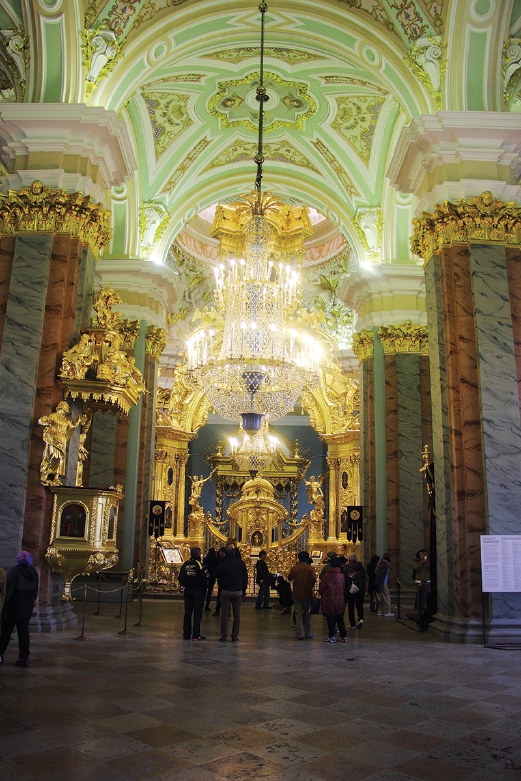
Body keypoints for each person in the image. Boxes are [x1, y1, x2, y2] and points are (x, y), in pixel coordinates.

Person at [0, 551, 39, 667]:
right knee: (23, 633)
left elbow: (8, 590)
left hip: (13, 607)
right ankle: (24, 657)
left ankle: (0, 654)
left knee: (6, 632)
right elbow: (35, 592)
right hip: (26, 608)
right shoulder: (34, 573)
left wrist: (4, 605)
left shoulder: (15, 572)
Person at [215, 543, 248, 642]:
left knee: (224, 614)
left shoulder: (223, 563)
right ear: (233, 552)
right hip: (238, 591)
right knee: (237, 615)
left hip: (225, 591)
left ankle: (224, 636)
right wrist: (244, 589)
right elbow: (245, 577)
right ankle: (234, 636)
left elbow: (216, 574)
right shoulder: (240, 563)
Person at [178, 547, 208, 640]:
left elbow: (181, 578)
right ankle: (195, 634)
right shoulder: (200, 565)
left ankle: (186, 634)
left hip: (188, 591)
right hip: (198, 592)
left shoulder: (186, 564)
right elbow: (205, 579)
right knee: (197, 614)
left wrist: (186, 585)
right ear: (199, 554)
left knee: (187, 613)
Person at [288, 551, 316, 640]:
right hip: (307, 593)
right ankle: (308, 633)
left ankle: (300, 634)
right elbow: (313, 580)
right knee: (308, 614)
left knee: (298, 614)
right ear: (307, 558)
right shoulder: (310, 568)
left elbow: (289, 578)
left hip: (297, 593)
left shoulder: (294, 568)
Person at [319, 556, 347, 642]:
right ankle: (343, 635)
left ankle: (332, 636)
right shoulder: (341, 575)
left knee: (330, 619)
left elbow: (322, 587)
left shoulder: (327, 575)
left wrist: (320, 592)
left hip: (329, 599)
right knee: (340, 618)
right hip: (340, 599)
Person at [345, 553, 366, 629]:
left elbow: (346, 580)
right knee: (359, 605)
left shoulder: (346, 568)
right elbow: (364, 578)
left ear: (349, 559)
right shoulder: (361, 568)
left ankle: (352, 623)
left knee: (351, 606)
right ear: (356, 559)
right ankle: (360, 618)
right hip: (360, 588)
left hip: (351, 589)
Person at [413, 549, 431, 631]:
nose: (423, 555)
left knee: (425, 594)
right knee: (419, 594)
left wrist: (426, 562)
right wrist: (422, 562)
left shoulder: (427, 561)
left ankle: (424, 606)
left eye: (425, 554)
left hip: (426, 580)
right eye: (421, 554)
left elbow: (429, 569)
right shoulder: (417, 562)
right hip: (419, 580)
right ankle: (419, 607)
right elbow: (417, 569)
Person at [375, 552, 394, 617]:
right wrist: (381, 584)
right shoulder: (384, 565)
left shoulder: (381, 564)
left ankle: (380, 611)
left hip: (381, 583)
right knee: (387, 598)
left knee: (382, 598)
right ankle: (387, 611)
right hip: (383, 584)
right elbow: (380, 575)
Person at [212, 547, 226, 616]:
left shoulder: (219, 561)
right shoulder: (222, 561)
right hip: (225, 581)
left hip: (221, 581)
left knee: (221, 596)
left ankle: (218, 610)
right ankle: (225, 611)